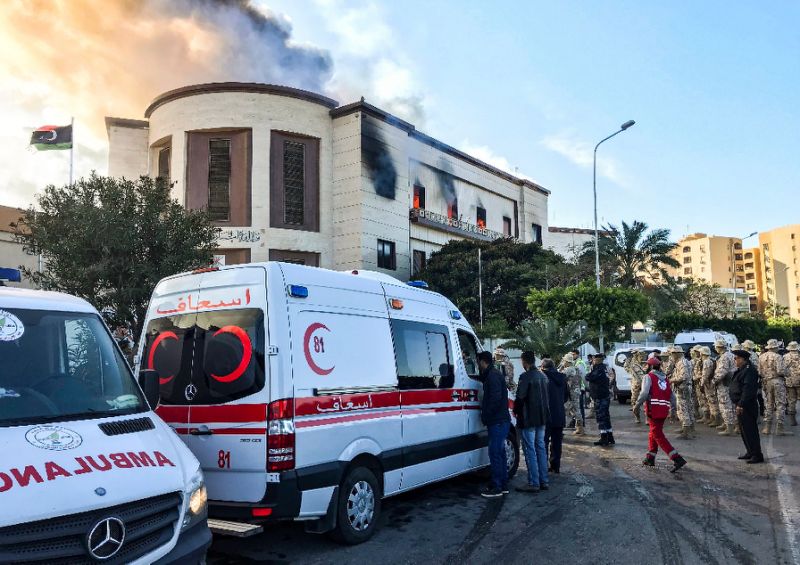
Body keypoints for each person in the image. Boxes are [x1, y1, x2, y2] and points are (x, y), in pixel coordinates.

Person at [634, 356, 687, 472]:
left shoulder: (648, 377)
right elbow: (672, 397)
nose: (645, 367)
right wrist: (673, 410)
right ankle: (650, 458)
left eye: (647, 365)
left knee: (657, 435)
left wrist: (636, 405)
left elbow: (644, 393)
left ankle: (677, 458)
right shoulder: (665, 379)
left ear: (651, 366)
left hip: (653, 410)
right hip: (663, 410)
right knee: (653, 432)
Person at [514, 351, 550, 493]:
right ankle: (544, 481)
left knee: (530, 450)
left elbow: (520, 398)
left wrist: (516, 411)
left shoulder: (525, 377)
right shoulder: (543, 376)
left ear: (524, 361)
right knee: (540, 448)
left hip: (529, 419)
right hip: (542, 418)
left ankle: (534, 482)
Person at [477, 351, 511, 498]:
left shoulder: (493, 376)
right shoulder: (493, 374)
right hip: (500, 420)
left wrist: (486, 415)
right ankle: (502, 484)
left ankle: (497, 486)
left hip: (497, 421)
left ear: (483, 361)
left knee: (495, 453)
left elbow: (495, 399)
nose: (478, 364)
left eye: (478, 361)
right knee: (500, 453)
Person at [729, 347, 764, 464]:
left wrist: (741, 404)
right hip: (740, 404)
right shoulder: (742, 369)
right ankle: (750, 451)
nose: (735, 360)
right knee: (744, 430)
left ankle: (757, 454)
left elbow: (748, 390)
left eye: (736, 358)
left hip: (746, 405)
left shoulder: (750, 370)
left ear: (743, 359)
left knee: (750, 430)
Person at [760, 339, 793, 436]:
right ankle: (780, 428)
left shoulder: (761, 357)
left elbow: (759, 371)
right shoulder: (778, 357)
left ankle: (767, 427)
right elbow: (780, 371)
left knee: (769, 404)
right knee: (780, 404)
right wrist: (788, 372)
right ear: (775, 347)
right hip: (778, 381)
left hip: (766, 381)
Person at [542, 358, 568, 474]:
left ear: (543, 367)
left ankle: (543, 466)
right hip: (559, 414)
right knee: (557, 442)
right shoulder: (562, 378)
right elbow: (566, 396)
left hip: (546, 415)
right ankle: (555, 466)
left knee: (543, 442)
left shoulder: (543, 378)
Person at [586, 354, 614, 446]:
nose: (593, 361)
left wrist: (590, 371)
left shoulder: (599, 369)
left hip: (600, 395)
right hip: (604, 394)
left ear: (597, 360)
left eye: (594, 359)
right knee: (606, 416)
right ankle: (610, 436)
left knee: (601, 416)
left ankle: (604, 438)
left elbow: (589, 377)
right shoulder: (605, 368)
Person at [668, 345, 695, 439]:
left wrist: (672, 380)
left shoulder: (682, 363)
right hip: (686, 387)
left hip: (683, 388)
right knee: (688, 408)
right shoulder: (684, 361)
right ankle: (689, 429)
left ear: (677, 354)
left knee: (683, 409)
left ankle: (686, 432)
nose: (671, 355)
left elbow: (683, 377)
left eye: (672, 353)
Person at [713, 339, 737, 436]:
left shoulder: (724, 357)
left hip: (724, 384)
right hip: (731, 383)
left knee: (725, 405)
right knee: (731, 405)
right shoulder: (731, 355)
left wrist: (713, 381)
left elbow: (721, 372)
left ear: (719, 347)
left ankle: (729, 428)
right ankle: (731, 424)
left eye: (716, 346)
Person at [560, 353, 585, 435]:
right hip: (577, 390)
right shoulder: (577, 368)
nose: (563, 362)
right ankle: (579, 427)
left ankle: (579, 427)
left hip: (571, 391)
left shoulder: (569, 369)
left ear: (567, 361)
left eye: (564, 360)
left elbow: (559, 375)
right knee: (576, 408)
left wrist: (561, 367)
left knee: (572, 409)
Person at [742, 339, 765, 417]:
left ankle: (755, 415)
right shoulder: (754, 354)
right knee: (755, 397)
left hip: (749, 378)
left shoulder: (747, 355)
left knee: (752, 397)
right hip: (753, 377)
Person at [700, 346, 720, 428]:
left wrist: (701, 384)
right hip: (710, 383)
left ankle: (716, 419)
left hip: (708, 384)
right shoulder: (712, 359)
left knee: (712, 401)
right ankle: (713, 418)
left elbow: (705, 374)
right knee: (711, 401)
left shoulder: (707, 361)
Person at [783, 342, 800, 427]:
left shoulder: (785, 357)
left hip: (789, 381)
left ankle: (792, 421)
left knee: (791, 400)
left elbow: (783, 369)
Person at [629, 349, 646, 424]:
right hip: (636, 385)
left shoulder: (645, 363)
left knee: (647, 402)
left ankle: (647, 418)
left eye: (643, 355)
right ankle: (637, 417)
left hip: (645, 385)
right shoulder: (634, 364)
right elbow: (640, 374)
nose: (642, 357)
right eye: (640, 355)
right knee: (635, 402)